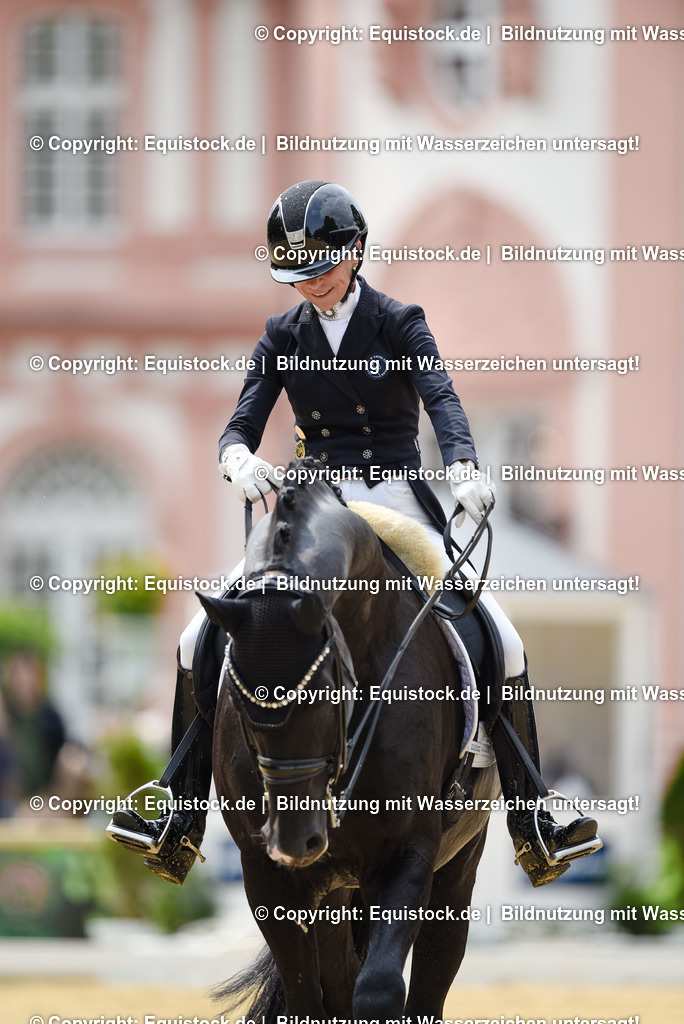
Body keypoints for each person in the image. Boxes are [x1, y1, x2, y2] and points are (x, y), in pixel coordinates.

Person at [109, 180, 601, 886]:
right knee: (199, 634)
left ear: (357, 251)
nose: (309, 281)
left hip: (397, 495)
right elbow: (241, 422)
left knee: (501, 634)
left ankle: (534, 817)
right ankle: (178, 812)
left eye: (320, 266)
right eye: (296, 271)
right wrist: (237, 459)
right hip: (314, 505)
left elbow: (442, 398)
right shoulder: (283, 334)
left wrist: (461, 466)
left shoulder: (401, 320)